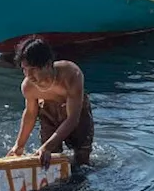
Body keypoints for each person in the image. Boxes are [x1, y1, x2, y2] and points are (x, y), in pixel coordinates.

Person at [6, 37, 95, 167]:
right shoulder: (28, 87)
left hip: (76, 110)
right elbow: (30, 114)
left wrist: (46, 147)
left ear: (48, 64)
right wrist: (19, 145)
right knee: (48, 158)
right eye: (24, 69)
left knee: (82, 156)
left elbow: (73, 118)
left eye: (33, 69)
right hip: (48, 113)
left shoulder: (71, 74)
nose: (29, 75)